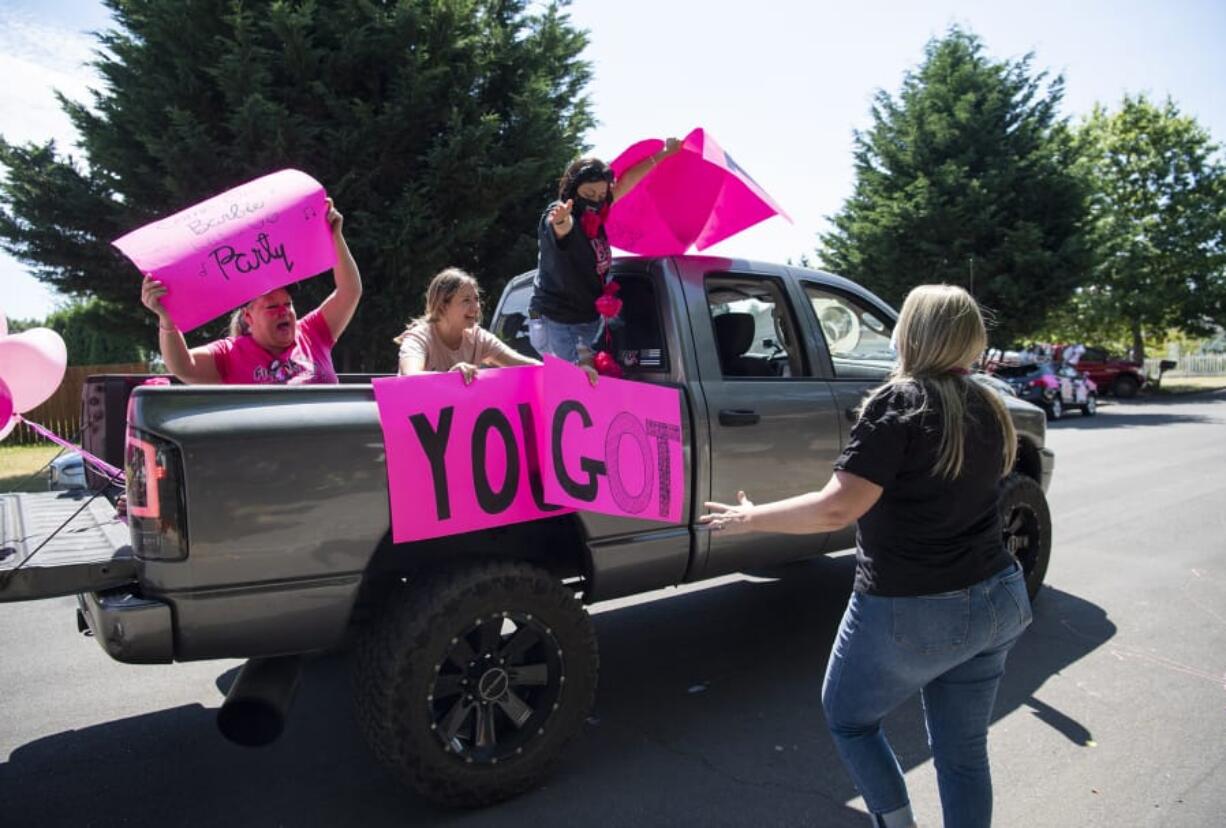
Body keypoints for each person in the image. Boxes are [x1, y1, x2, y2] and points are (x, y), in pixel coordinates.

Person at [700, 284, 1032, 828]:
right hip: (999, 598)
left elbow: (838, 510)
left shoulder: (899, 402)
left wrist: (750, 517)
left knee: (850, 720)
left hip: (917, 606)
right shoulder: (990, 404)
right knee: (963, 750)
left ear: (911, 334)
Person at [140, 198, 361, 384]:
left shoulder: (313, 333)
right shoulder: (230, 354)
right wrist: (167, 320)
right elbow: (184, 367)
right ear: (249, 317)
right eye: (272, 307)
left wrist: (335, 237)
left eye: (288, 304)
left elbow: (349, 291)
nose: (284, 312)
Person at [528, 139, 681, 364]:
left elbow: (626, 181)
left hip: (587, 320)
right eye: (588, 194)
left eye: (601, 196)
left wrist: (665, 154)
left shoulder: (598, 214)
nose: (595, 201)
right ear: (572, 189)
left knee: (589, 385)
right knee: (574, 387)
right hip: (556, 321)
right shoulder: (559, 213)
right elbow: (562, 228)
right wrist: (561, 220)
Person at [397, 267, 596, 386]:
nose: (476, 307)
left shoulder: (477, 338)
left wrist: (574, 376)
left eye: (476, 299)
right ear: (442, 306)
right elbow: (410, 376)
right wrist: (449, 377)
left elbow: (529, 365)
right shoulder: (419, 338)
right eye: (466, 300)